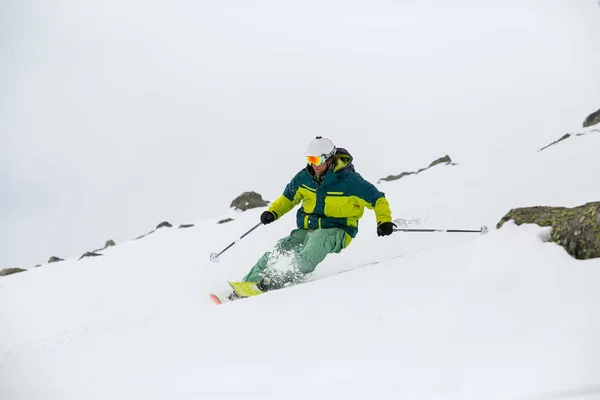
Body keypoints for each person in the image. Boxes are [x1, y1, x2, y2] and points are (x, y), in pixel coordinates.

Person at [242, 136, 395, 291]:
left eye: (316, 160)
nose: (312, 164)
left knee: (317, 241)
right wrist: (273, 212)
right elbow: (288, 199)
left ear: (329, 159)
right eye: (310, 159)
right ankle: (249, 284)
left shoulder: (351, 182)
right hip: (309, 228)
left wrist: (384, 221)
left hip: (339, 230)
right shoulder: (304, 178)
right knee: (282, 247)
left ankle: (283, 279)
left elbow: (377, 199)